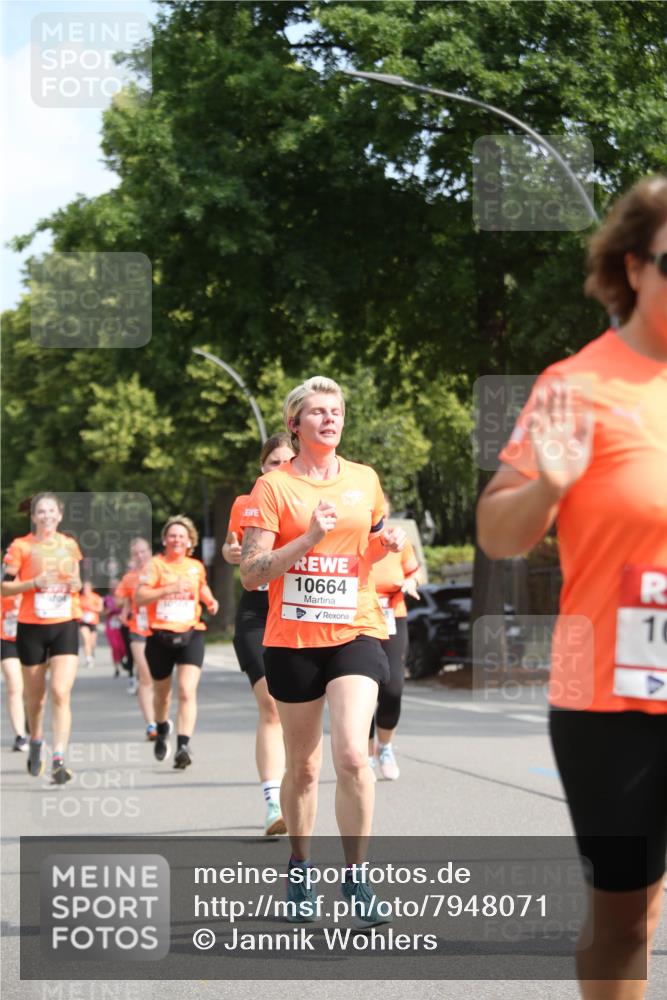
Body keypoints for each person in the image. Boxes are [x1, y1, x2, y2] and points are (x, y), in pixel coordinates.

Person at [476, 176, 667, 999]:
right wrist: (548, 487)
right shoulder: (575, 385)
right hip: (611, 702)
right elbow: (498, 533)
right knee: (626, 919)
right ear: (634, 266)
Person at [240, 375, 406, 925]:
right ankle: (300, 866)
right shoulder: (273, 488)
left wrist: (386, 543)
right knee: (305, 768)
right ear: (295, 423)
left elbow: (369, 547)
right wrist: (309, 538)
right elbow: (251, 573)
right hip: (292, 639)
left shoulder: (364, 479)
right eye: (317, 411)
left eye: (336, 410)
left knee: (353, 755)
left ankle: (356, 876)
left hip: (355, 628)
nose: (330, 418)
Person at [223, 432, 294, 836]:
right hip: (257, 611)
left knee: (295, 711)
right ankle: (272, 803)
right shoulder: (245, 503)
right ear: (261, 467)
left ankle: (297, 787)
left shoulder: (311, 500)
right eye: (272, 462)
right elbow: (232, 547)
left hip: (297, 613)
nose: (280, 468)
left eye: (287, 461)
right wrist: (232, 553)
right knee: (270, 705)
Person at [1, 492, 82, 783]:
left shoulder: (69, 545)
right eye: (41, 512)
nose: (46, 516)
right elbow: (4, 587)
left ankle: (58, 757)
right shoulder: (21, 547)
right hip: (31, 626)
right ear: (34, 517)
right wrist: (33, 583)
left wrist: (74, 583)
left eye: (51, 511)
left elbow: (77, 582)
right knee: (35, 698)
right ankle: (36, 739)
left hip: (64, 623)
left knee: (60, 691)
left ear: (59, 515)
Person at [136, 515, 219, 769]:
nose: (177, 540)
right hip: (159, 636)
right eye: (172, 535)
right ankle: (162, 728)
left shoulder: (196, 566)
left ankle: (183, 745)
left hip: (191, 633)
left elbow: (201, 587)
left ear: (189, 541)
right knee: (162, 695)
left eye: (182, 536)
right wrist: (169, 589)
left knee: (186, 690)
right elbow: (140, 596)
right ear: (165, 540)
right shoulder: (155, 565)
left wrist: (210, 600)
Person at [369, 500, 423, 781]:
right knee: (362, 690)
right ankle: (365, 755)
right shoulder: (350, 539)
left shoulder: (399, 542)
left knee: (393, 688)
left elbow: (415, 572)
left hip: (392, 617)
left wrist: (411, 583)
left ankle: (385, 746)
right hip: (358, 619)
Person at [116, 538, 156, 738]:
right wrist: (125, 607)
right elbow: (120, 601)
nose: (140, 556)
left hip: (161, 628)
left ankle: (160, 717)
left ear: (150, 551)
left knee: (160, 678)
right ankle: (151, 725)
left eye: (143, 552)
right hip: (138, 629)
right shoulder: (129, 578)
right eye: (135, 553)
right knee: (145, 675)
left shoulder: (161, 570)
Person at [1, 593, 28, 751]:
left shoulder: (32, 583)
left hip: (33, 639)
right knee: (14, 686)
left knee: (33, 690)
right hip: (6, 640)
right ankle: (20, 736)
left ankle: (30, 715)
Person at [103, 584, 126, 679]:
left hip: (122, 625)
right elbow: (103, 612)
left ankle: (123, 660)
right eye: (112, 586)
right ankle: (116, 668)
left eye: (116, 586)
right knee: (115, 646)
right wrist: (109, 611)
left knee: (123, 646)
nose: (114, 588)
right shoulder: (107, 599)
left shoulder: (124, 597)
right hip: (111, 626)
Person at [78, 581, 103, 668]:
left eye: (87, 588)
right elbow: (77, 609)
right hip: (83, 622)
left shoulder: (96, 597)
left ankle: (91, 652)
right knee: (86, 640)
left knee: (92, 642)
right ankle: (88, 659)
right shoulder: (80, 598)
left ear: (91, 589)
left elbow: (100, 609)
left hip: (93, 622)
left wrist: (91, 608)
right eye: (84, 588)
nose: (85, 589)